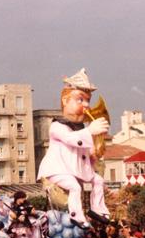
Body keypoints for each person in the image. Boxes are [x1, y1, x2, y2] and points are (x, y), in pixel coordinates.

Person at [36, 68, 110, 228]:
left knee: (98, 180)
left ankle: (98, 209)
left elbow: (84, 151)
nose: (86, 106)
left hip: (76, 168)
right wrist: (90, 131)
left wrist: (96, 149)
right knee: (74, 187)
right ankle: (76, 215)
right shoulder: (57, 126)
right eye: (80, 100)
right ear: (65, 100)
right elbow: (73, 141)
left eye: (88, 101)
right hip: (58, 170)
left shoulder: (80, 128)